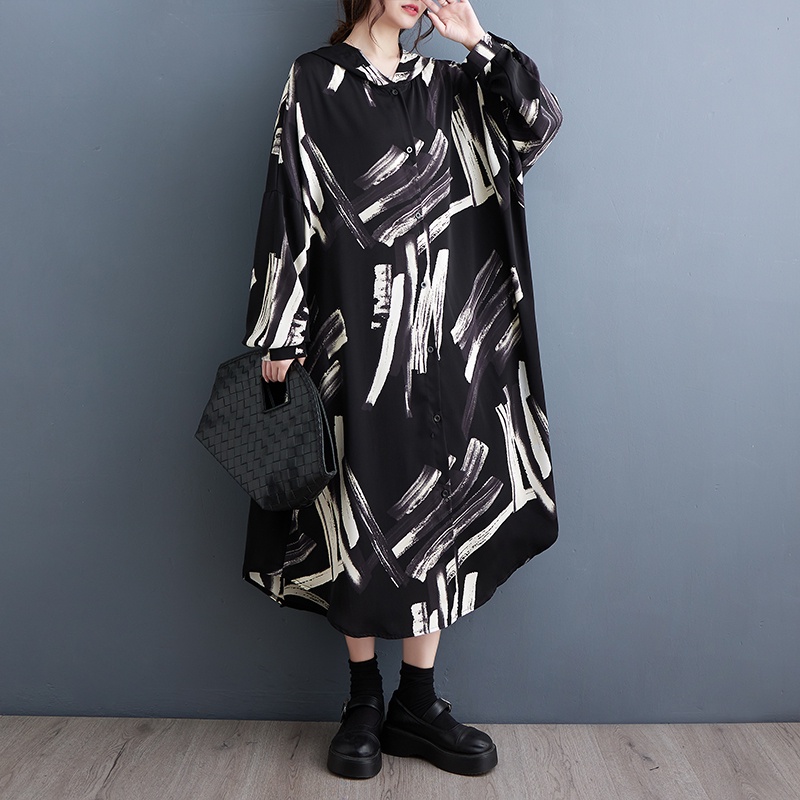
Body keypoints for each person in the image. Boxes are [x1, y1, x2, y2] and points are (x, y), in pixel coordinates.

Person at [241, 0, 563, 779]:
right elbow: (289, 202)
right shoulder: (314, 82)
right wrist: (278, 331)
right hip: (351, 340)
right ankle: (362, 699)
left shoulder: (452, 86)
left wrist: (477, 41)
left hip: (451, 351)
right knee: (353, 511)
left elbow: (537, 124)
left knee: (437, 508)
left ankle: (417, 700)